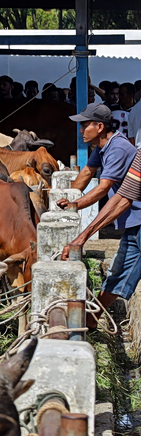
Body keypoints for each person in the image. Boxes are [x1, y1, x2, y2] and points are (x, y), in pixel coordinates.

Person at [57, 102, 141, 326]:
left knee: (123, 266)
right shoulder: (104, 148)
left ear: (100, 126)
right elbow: (87, 173)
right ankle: (93, 319)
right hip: (135, 222)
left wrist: (76, 212)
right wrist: (68, 198)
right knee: (121, 269)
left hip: (133, 215)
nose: (80, 130)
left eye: (85, 125)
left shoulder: (119, 148)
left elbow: (112, 194)